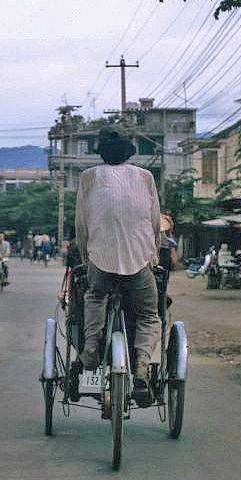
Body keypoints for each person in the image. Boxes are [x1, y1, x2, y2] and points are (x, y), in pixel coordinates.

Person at [75, 126, 161, 407]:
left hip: (100, 258)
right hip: (139, 259)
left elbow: (81, 224)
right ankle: (141, 365)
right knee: (149, 314)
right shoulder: (146, 177)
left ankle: (90, 350)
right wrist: (153, 254)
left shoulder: (88, 177)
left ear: (100, 153)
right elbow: (155, 222)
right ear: (129, 153)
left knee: (96, 296)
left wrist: (85, 254)